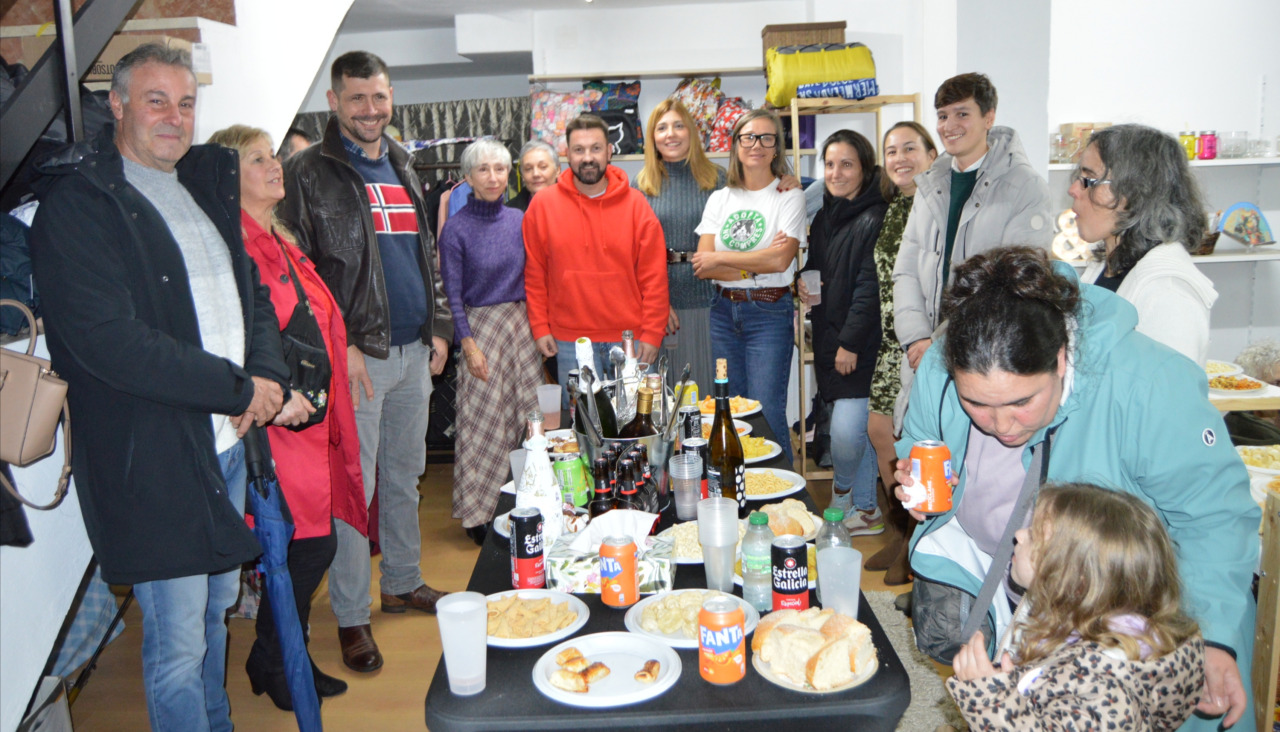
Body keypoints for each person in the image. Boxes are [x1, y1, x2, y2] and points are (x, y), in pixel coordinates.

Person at [28, 44, 289, 731]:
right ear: (115, 106)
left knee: (212, 617)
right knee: (177, 643)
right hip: (155, 458)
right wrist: (239, 389)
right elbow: (110, 346)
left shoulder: (199, 190)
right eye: (155, 101)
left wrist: (263, 377)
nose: (175, 118)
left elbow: (253, 296)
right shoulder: (79, 207)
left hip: (225, 448)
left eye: (186, 102)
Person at [896, 246, 1258, 732]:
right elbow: (920, 441)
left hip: (1124, 633)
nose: (1000, 425)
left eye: (1022, 402)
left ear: (1063, 358)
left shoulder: (1149, 384)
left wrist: (1216, 640)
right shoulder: (942, 365)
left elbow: (1216, 518)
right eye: (975, 403)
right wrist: (913, 481)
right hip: (1024, 602)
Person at [279, 50, 454, 674]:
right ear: (334, 101)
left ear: (390, 95)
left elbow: (426, 256)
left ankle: (402, 580)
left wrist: (438, 327)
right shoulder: (306, 172)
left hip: (414, 350)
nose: (370, 110)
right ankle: (352, 616)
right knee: (357, 489)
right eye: (356, 99)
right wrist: (341, 345)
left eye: (379, 97)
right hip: (357, 359)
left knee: (405, 477)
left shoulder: (404, 162)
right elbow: (298, 275)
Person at [206, 124, 367, 710]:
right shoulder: (232, 248)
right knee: (301, 549)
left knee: (309, 546)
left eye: (273, 155)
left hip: (313, 420)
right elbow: (236, 339)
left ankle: (275, 656)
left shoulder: (279, 237)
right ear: (229, 176)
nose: (275, 166)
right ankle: (276, 660)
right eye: (257, 159)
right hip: (280, 427)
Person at [947, 483, 1205, 731]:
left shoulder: (1104, 694)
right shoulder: (1070, 617)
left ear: (1074, 582)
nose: (1019, 534)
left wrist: (989, 702)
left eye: (1035, 535)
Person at [892, 72, 1053, 427]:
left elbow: (1016, 289)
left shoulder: (1025, 187)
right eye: (943, 115)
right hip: (923, 355)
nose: (950, 125)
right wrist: (916, 337)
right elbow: (904, 269)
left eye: (962, 113)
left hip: (986, 360)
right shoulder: (930, 184)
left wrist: (940, 344)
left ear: (989, 118)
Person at [438, 138, 543, 545]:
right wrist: (468, 345)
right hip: (480, 331)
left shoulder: (520, 219)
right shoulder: (456, 229)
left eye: (500, 168)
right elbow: (452, 293)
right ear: (468, 177)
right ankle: (478, 514)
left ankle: (527, 503)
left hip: (520, 327)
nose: (494, 177)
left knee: (529, 418)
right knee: (483, 425)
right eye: (483, 169)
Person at [522, 113, 668, 393]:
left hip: (630, 341)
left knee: (635, 426)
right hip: (570, 343)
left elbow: (655, 277)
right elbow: (534, 274)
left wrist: (652, 333)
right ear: (567, 154)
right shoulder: (542, 206)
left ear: (609, 152)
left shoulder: (636, 205)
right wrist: (540, 327)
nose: (587, 157)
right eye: (579, 150)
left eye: (596, 148)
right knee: (583, 429)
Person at [693, 108, 805, 463]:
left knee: (768, 414)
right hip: (724, 312)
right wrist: (755, 265)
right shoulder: (719, 199)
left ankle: (782, 498)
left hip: (769, 312)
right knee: (732, 411)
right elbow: (703, 264)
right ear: (736, 145)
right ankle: (742, 499)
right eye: (748, 137)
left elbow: (779, 261)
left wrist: (726, 262)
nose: (756, 144)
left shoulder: (789, 195)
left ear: (776, 148)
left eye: (766, 138)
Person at [796, 130, 888, 531]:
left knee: (849, 429)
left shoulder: (876, 216)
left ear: (865, 168)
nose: (836, 172)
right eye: (830, 164)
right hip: (832, 335)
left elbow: (871, 287)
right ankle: (867, 510)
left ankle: (841, 496)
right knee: (861, 427)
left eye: (847, 164)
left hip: (861, 342)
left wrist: (850, 342)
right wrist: (802, 279)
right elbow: (816, 265)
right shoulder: (826, 215)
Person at [1074, 124, 1218, 365]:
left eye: (1089, 180)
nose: (1073, 190)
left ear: (1136, 192)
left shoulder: (1169, 293)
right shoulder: (1106, 269)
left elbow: (1169, 397)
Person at [863, 121, 937, 585]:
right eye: (891, 151)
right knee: (881, 434)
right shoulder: (894, 208)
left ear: (932, 154)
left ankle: (920, 544)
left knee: (914, 444)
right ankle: (903, 530)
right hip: (892, 342)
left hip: (924, 342)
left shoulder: (937, 206)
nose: (900, 158)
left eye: (910, 148)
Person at [634, 99, 726, 394]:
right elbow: (631, 254)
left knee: (707, 398)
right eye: (661, 128)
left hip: (710, 303)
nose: (670, 134)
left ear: (691, 132)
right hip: (661, 310)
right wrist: (656, 304)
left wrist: (789, 182)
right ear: (652, 138)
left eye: (678, 125)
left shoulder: (718, 179)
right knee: (666, 403)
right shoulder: (640, 186)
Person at [507, 139, 560, 213]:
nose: (536, 174)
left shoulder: (572, 205)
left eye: (543, 167)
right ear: (522, 174)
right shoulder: (511, 212)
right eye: (528, 169)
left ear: (557, 170)